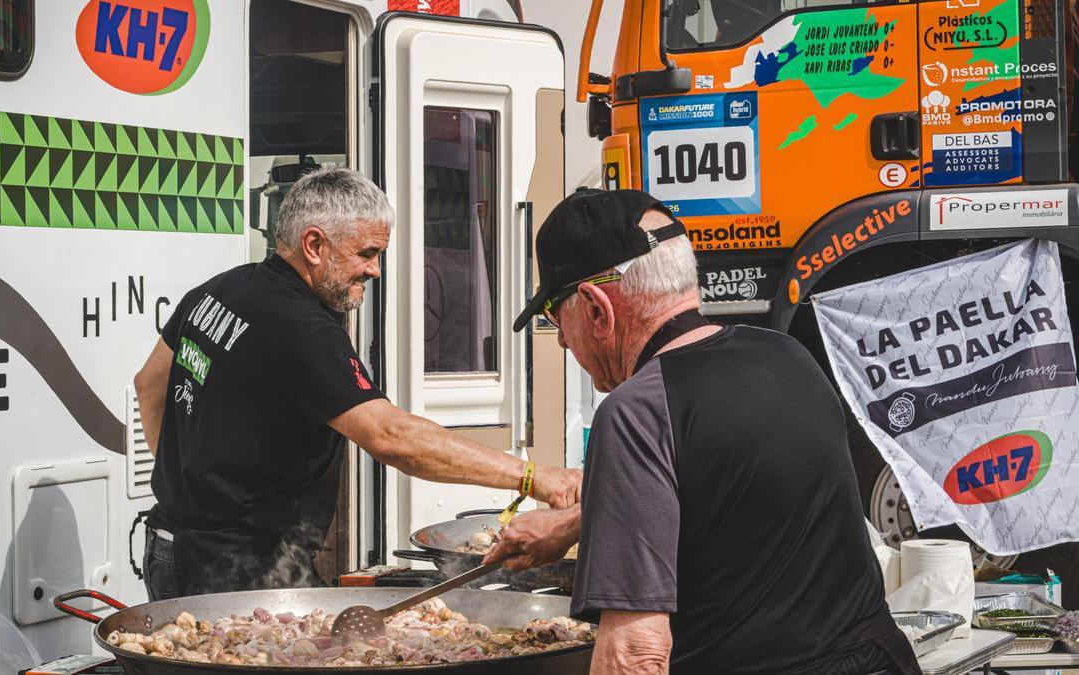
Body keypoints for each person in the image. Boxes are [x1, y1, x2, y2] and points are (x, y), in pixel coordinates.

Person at [484, 189, 920, 675]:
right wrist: (574, 523)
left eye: (555, 316)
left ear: (595, 307)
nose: (561, 339)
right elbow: (730, 494)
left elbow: (636, 655)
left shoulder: (636, 412)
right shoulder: (789, 359)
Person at [133, 167, 581, 599]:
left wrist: (185, 486)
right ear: (314, 244)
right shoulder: (304, 329)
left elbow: (148, 384)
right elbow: (390, 437)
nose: (375, 271)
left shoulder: (219, 290)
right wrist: (532, 476)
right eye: (366, 253)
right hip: (237, 571)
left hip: (169, 545)